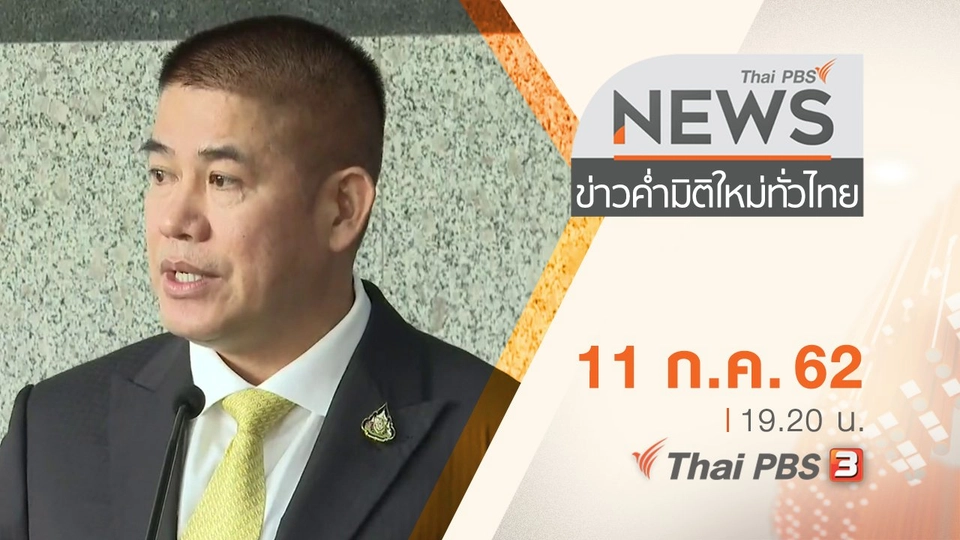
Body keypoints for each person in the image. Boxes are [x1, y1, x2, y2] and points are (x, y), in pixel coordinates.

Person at [0, 15, 519, 540]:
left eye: (222, 180)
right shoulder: (51, 430)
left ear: (342, 209)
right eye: (161, 174)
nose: (174, 221)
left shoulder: (500, 441)